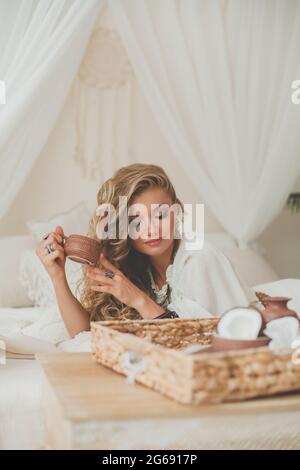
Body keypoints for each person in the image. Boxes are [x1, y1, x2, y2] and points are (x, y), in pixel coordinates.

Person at [36, 163, 253, 338]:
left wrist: (138, 300)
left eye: (160, 215)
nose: (151, 230)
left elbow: (198, 344)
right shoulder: (138, 265)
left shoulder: (199, 260)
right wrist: (57, 277)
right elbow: (84, 335)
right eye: (135, 221)